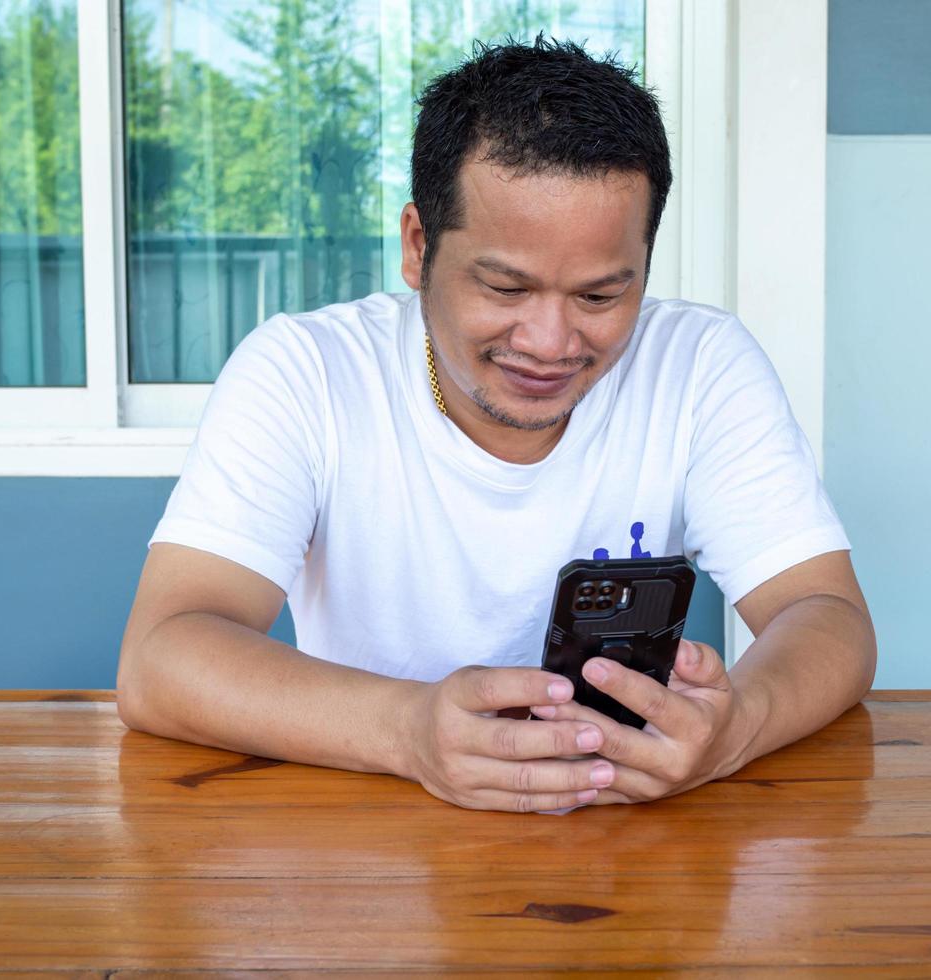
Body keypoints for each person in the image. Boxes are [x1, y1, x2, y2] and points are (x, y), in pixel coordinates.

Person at [117, 37, 876, 812]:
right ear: (417, 247)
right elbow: (160, 659)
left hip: (626, 854)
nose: (549, 343)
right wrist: (410, 730)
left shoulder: (702, 364)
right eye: (506, 287)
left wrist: (736, 725)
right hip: (369, 842)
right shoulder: (305, 371)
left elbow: (830, 619)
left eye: (600, 297)